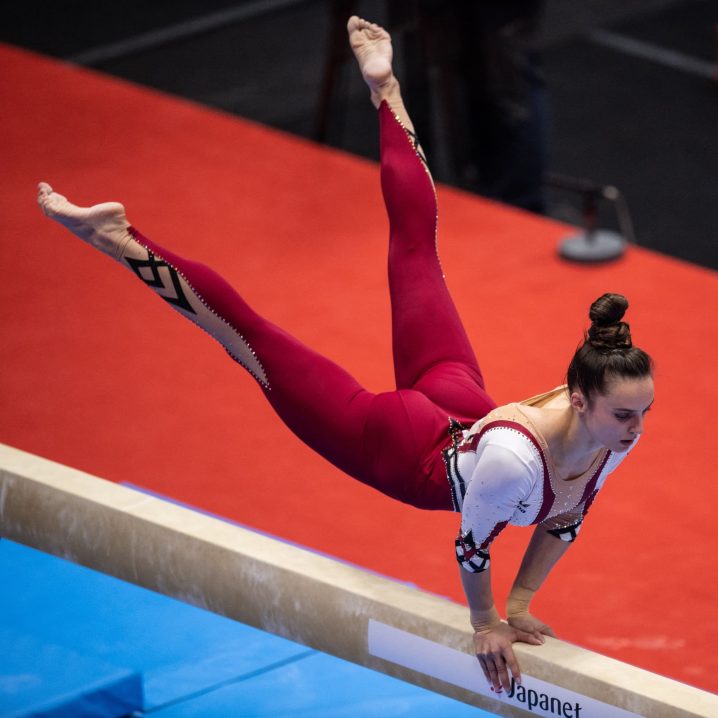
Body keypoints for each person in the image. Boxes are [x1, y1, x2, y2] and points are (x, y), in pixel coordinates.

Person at [37, 16, 654, 696]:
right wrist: (485, 623)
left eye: (639, 413)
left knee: (417, 252)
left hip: (461, 406)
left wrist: (522, 605)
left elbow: (564, 521)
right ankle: (121, 237)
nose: (636, 428)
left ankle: (385, 87)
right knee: (252, 341)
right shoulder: (521, 459)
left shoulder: (605, 436)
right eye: (626, 415)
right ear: (580, 399)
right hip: (404, 453)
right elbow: (472, 549)